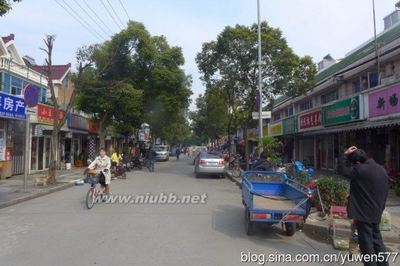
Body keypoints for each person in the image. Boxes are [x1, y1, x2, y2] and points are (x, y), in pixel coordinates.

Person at [337, 146, 389, 266]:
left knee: (366, 244)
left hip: (363, 212)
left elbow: (341, 170)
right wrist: (381, 208)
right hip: (376, 211)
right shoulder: (381, 169)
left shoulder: (359, 170)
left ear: (357, 162)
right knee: (377, 241)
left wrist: (344, 154)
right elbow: (385, 191)